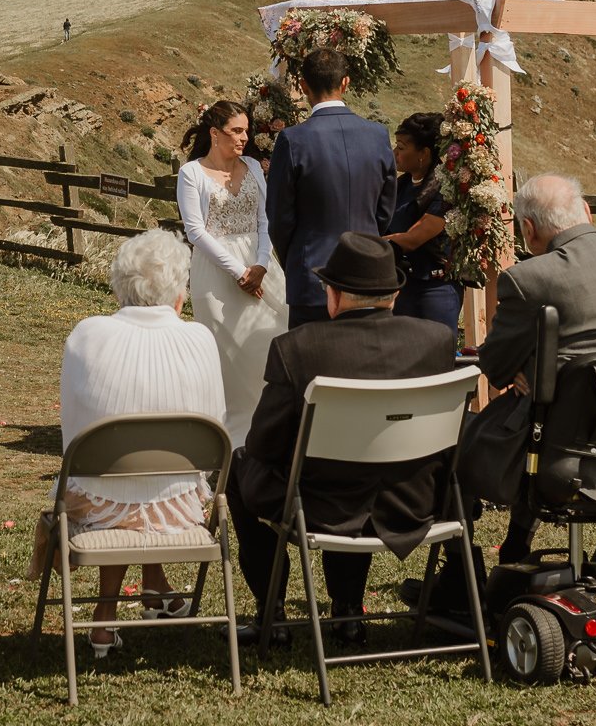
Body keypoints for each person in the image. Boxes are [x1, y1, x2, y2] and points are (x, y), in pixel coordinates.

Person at [225, 232, 460, 644]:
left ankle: (273, 613)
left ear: (333, 295)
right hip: (414, 502)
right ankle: (348, 611)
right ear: (393, 296)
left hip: (319, 505)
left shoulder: (296, 348)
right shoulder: (437, 340)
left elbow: (264, 444)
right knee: (355, 470)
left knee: (242, 464)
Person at [469, 173, 596, 562]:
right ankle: (514, 547)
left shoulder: (528, 278)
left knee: (468, 436)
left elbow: (496, 366)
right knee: (550, 405)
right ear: (586, 211)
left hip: (567, 452)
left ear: (527, 230)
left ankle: (461, 576)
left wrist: (534, 365)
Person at [44, 228, 225, 656]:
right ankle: (155, 589)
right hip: (176, 498)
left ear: (119, 283)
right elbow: (216, 425)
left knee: (124, 480)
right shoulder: (200, 338)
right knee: (150, 481)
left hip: (96, 490)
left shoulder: (88, 334)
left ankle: (112, 611)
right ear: (180, 290)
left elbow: (73, 427)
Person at [175, 101, 285, 448]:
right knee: (228, 358)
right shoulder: (191, 174)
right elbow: (195, 231)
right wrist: (239, 272)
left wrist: (262, 264)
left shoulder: (252, 166)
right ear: (214, 133)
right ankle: (234, 443)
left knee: (273, 343)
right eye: (237, 130)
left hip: (263, 264)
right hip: (217, 273)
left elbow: (266, 219)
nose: (244, 137)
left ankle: (273, 434)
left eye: (246, 130)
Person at [266, 48, 396, 329]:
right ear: (346, 83)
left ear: (303, 85)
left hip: (311, 276)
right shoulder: (377, 136)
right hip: (368, 276)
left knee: (311, 366)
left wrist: (297, 259)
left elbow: (279, 217)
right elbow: (385, 211)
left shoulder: (292, 140)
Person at [383, 113, 459, 332]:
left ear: (423, 154)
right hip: (401, 284)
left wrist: (368, 244)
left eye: (402, 147)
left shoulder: (445, 189)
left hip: (435, 290)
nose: (395, 153)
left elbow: (414, 238)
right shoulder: (401, 184)